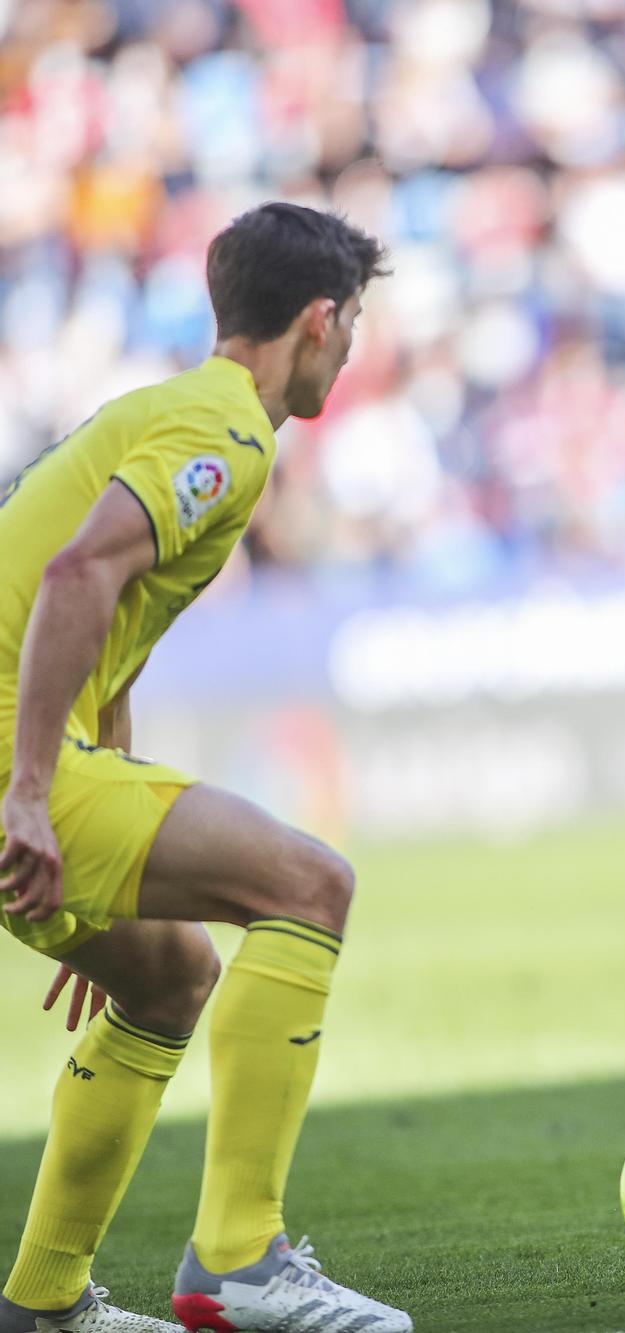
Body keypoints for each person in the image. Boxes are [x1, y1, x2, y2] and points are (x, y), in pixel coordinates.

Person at [0, 204, 410, 1332]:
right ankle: (240, 1259)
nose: (352, 346)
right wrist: (34, 794)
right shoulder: (224, 437)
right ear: (319, 321)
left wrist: (115, 860)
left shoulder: (162, 408)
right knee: (310, 885)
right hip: (9, 767)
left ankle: (41, 1302)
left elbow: (106, 620)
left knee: (169, 978)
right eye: (355, 322)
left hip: (39, 759)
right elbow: (80, 576)